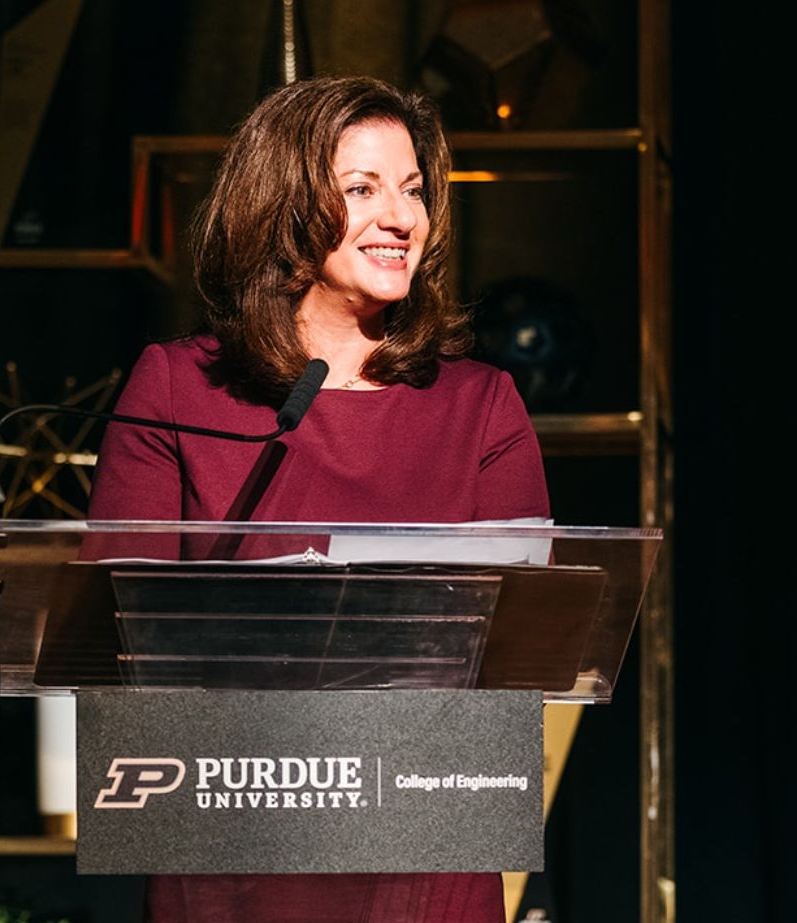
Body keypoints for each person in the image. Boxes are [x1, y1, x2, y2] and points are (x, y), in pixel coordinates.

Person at [86, 75, 549, 923]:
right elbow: (111, 640)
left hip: (423, 850)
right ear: (285, 207)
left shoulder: (481, 405)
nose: (403, 217)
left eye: (412, 190)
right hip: (229, 842)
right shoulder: (176, 388)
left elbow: (527, 650)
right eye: (363, 189)